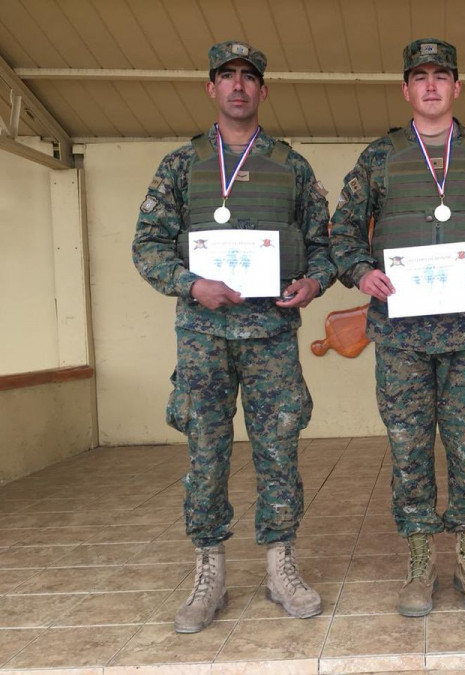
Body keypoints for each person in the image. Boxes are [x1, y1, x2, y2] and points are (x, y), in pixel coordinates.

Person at [330, 38, 465, 617]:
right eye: (419, 76)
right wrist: (361, 271)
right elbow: (341, 232)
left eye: (440, 76)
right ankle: (420, 562)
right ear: (405, 89)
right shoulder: (379, 158)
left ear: (457, 86)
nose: (430, 86)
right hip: (400, 338)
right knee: (408, 451)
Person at [132, 40, 336, 633]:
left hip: (271, 333)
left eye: (249, 77)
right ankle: (209, 572)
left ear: (263, 90)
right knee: (206, 453)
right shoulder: (180, 165)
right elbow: (146, 246)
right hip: (203, 337)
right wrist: (192, 285)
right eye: (227, 76)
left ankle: (280, 565)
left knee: (279, 448)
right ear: (211, 88)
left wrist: (316, 283)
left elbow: (323, 246)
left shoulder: (291, 167)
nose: (239, 86)